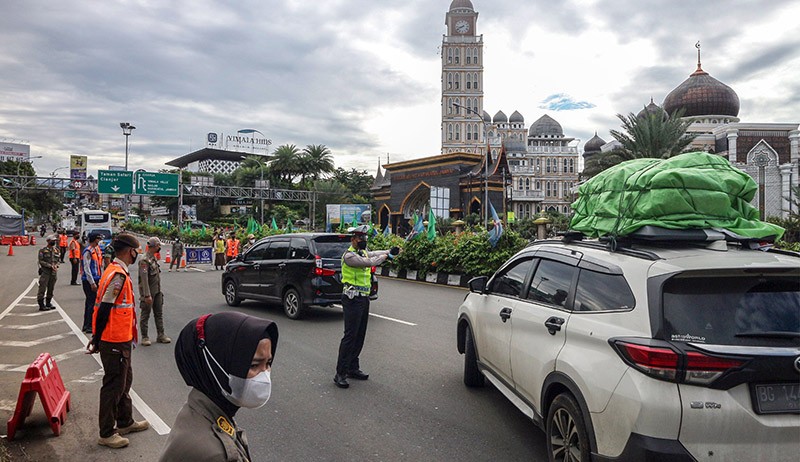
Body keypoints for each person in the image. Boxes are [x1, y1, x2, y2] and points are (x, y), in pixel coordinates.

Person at [159, 312, 278, 461]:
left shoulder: (203, 408)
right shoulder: (213, 454)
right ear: (217, 366)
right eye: (254, 365)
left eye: (268, 364)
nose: (264, 375)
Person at [85, 233, 149, 449]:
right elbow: (104, 309)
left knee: (125, 380)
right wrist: (96, 338)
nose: (136, 256)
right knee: (113, 385)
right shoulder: (117, 276)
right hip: (113, 339)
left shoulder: (117, 271)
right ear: (130, 251)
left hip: (121, 339)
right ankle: (106, 432)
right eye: (136, 252)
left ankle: (125, 421)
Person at [334, 225, 400, 388]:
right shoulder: (349, 256)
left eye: (365, 238)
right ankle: (340, 373)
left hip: (363, 299)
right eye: (360, 238)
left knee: (359, 335)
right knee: (350, 336)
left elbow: (374, 253)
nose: (363, 241)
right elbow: (369, 262)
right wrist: (388, 256)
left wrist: (389, 251)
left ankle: (352, 368)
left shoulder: (362, 251)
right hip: (352, 299)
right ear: (353, 239)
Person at [139, 237, 171, 346]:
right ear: (153, 246)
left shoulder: (153, 258)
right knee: (145, 314)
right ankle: (145, 337)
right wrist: (147, 295)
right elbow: (144, 279)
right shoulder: (144, 260)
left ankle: (161, 335)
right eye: (158, 245)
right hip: (148, 293)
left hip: (157, 291)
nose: (159, 247)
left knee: (159, 314)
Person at [80, 232, 104, 333]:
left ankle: (87, 325)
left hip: (96, 278)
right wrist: (92, 283)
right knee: (91, 303)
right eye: (98, 239)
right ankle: (88, 325)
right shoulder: (88, 251)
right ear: (94, 239)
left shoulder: (96, 250)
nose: (99, 241)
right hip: (89, 280)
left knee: (91, 302)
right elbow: (86, 268)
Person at [36, 235, 59, 311]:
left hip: (53, 273)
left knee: (51, 288)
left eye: (55, 241)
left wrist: (56, 265)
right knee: (42, 288)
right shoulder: (43, 250)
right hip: (45, 272)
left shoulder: (56, 250)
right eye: (52, 241)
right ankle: (41, 304)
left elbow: (58, 260)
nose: (54, 242)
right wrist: (49, 266)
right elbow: (41, 261)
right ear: (48, 241)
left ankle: (48, 302)